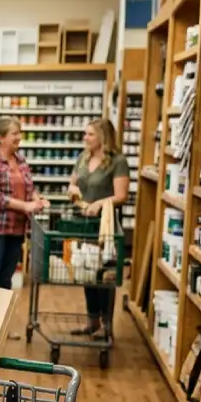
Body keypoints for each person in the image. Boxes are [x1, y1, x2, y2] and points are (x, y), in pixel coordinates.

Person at [68, 118, 129, 336]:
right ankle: (92, 321)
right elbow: (73, 183)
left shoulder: (117, 161)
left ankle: (107, 324)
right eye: (85, 134)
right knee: (87, 273)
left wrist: (99, 204)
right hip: (83, 225)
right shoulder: (83, 158)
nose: (85, 138)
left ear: (103, 137)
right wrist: (72, 191)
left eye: (90, 134)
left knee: (105, 275)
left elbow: (121, 195)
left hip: (105, 228)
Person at [0, 118, 49, 291]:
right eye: (14, 133)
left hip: (16, 229)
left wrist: (37, 200)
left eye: (19, 133)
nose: (19, 137)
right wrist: (26, 206)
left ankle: (0, 317)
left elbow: (29, 188)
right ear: (1, 138)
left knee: (5, 279)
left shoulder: (21, 161)